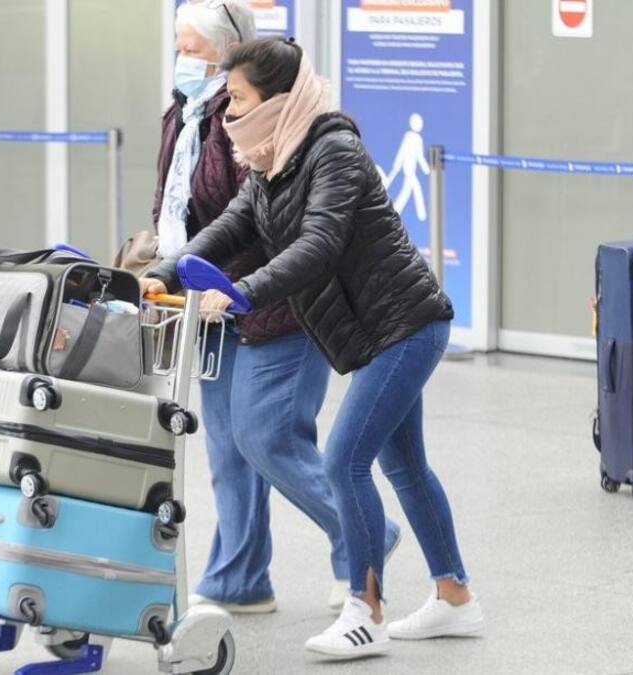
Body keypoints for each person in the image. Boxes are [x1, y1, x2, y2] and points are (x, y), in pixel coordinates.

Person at [143, 37, 483, 660]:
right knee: (404, 465)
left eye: (239, 100)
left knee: (344, 461)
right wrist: (164, 273)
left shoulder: (335, 150)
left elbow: (318, 245)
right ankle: (455, 596)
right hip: (372, 332)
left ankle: (365, 610)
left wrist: (240, 294)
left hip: (406, 326)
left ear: (278, 99)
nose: (229, 113)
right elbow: (229, 229)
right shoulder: (273, 161)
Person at [154, 0, 399, 614]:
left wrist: (236, 288)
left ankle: (363, 538)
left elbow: (285, 235)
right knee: (229, 449)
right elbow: (192, 214)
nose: (183, 61)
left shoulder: (273, 134)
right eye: (178, 46)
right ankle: (239, 579)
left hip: (278, 305)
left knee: (268, 437)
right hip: (211, 304)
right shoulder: (184, 117)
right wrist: (165, 269)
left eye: (194, 50)